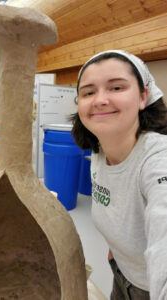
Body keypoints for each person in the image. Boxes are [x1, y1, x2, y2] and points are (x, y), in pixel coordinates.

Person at [71, 49, 167, 300]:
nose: (100, 100)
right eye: (88, 92)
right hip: (121, 275)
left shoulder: (158, 159)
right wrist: (118, 250)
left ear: (143, 96)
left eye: (116, 88)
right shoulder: (99, 150)